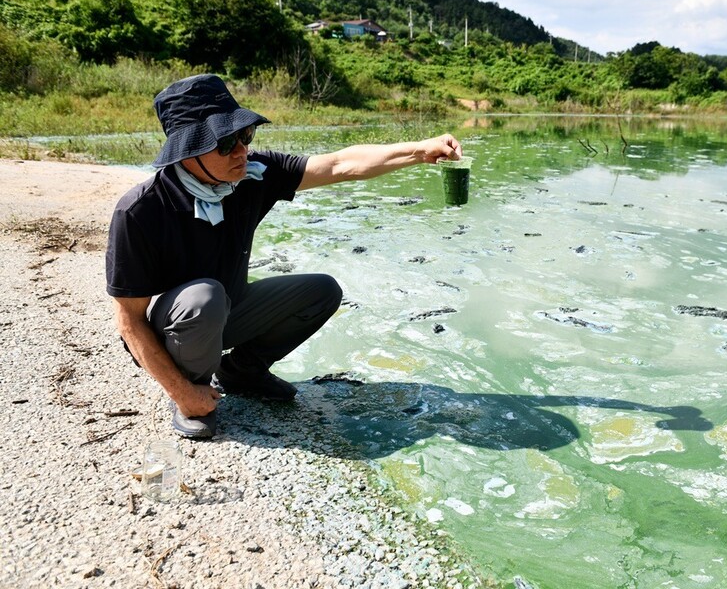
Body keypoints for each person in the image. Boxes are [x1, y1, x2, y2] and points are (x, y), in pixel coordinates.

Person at [106, 73, 462, 439]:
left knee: (322, 291)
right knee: (204, 298)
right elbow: (129, 322)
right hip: (178, 331)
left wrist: (418, 152)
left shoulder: (251, 176)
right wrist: (181, 391)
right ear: (188, 151)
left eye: (245, 136)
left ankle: (242, 371)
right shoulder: (140, 211)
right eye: (226, 143)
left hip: (230, 308)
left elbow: (338, 164)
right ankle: (195, 390)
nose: (241, 150)